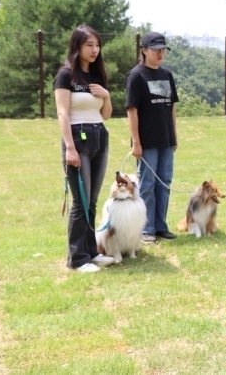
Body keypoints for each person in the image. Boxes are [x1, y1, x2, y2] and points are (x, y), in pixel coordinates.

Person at [54, 25, 116, 273]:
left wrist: (107, 95)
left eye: (97, 45)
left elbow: (106, 114)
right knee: (80, 201)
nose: (94, 49)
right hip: (77, 140)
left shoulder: (98, 75)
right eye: (89, 45)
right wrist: (69, 148)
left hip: (100, 136)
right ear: (77, 46)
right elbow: (62, 112)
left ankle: (91, 252)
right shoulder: (65, 75)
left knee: (91, 201)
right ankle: (76, 259)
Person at [125, 32, 179, 243]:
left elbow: (172, 108)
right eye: (156, 49)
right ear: (144, 50)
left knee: (164, 182)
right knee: (146, 184)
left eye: (163, 49)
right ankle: (146, 229)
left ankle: (160, 226)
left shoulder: (167, 75)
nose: (160, 53)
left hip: (166, 139)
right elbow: (132, 111)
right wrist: (136, 142)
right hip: (146, 141)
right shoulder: (136, 76)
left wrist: (174, 136)